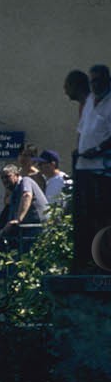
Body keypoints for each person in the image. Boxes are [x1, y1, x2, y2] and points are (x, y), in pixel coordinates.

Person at [73, 64, 111, 274]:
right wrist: (78, 149)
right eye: (92, 81)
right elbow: (81, 129)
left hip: (103, 169)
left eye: (98, 81)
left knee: (103, 216)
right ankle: (87, 260)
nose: (94, 85)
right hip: (84, 168)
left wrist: (96, 150)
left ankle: (104, 260)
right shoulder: (89, 102)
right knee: (86, 217)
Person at [0, 163, 48, 254]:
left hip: (39, 228)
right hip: (27, 231)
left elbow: (27, 195)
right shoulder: (14, 192)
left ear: (17, 175)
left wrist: (18, 219)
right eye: (2, 178)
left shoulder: (25, 181)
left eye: (7, 177)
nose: (5, 181)